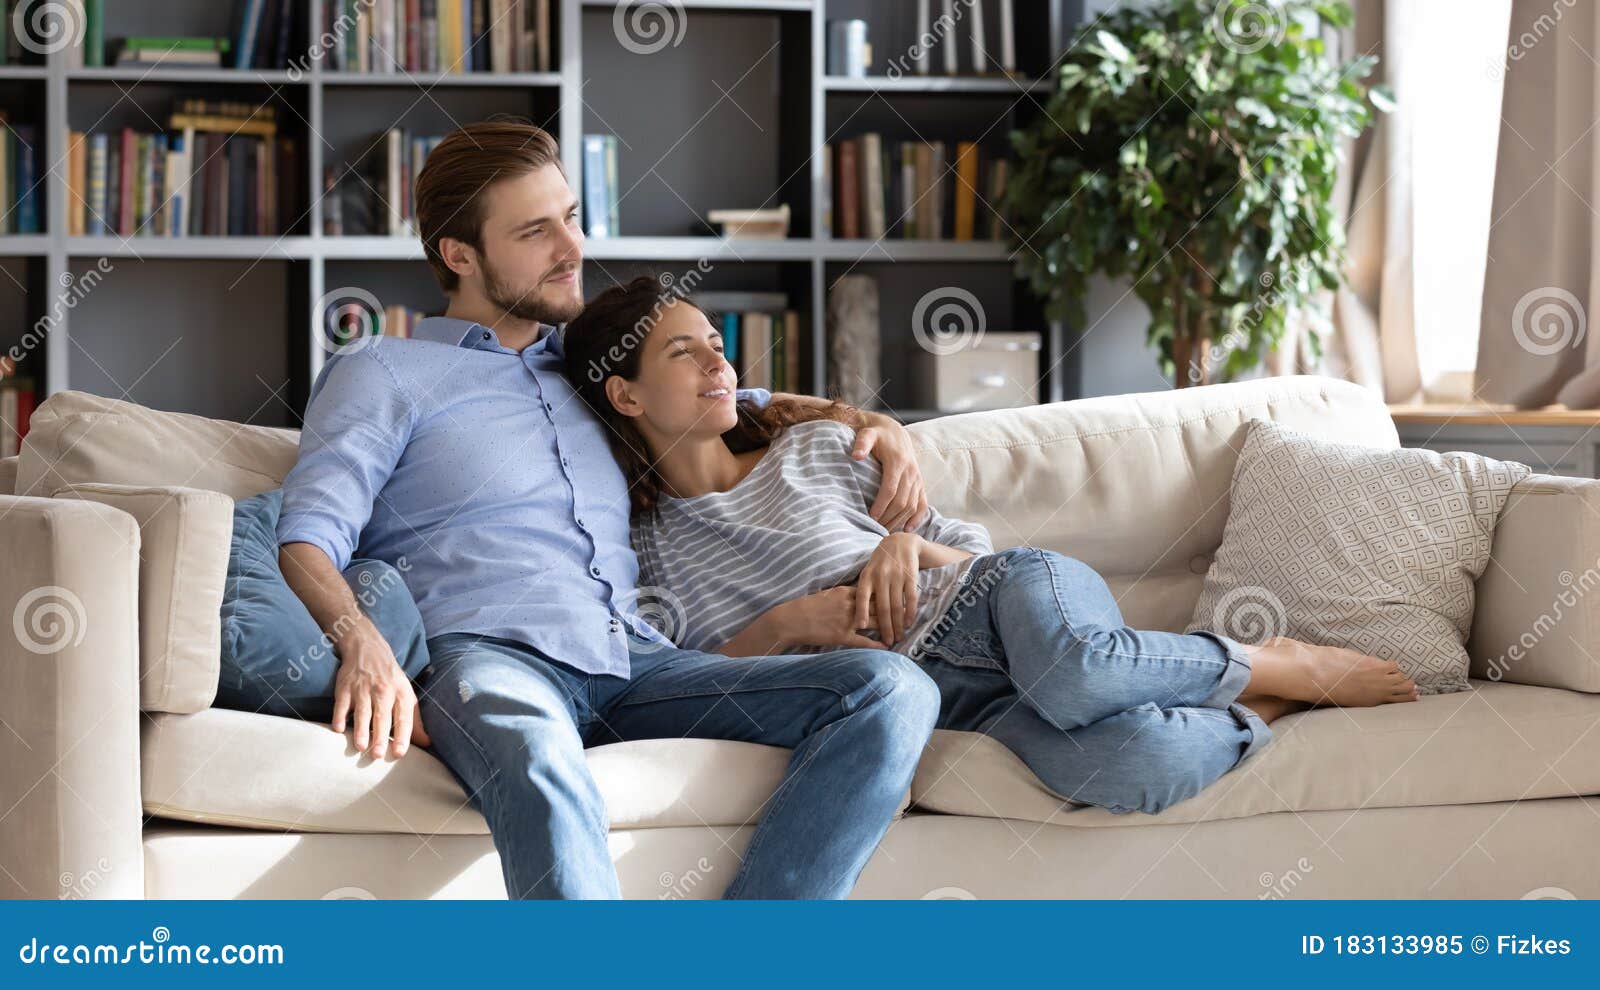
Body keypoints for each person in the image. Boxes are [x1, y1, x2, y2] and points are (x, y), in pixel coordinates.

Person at [271, 120, 942, 899]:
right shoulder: (384, 371)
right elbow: (307, 537)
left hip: (637, 663)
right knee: (542, 762)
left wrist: (876, 424)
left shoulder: (596, 370)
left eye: (571, 218)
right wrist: (364, 644)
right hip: (489, 660)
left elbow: (736, 397)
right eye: (535, 231)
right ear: (460, 255)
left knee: (890, 690)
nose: (572, 248)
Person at [560, 277, 1422, 817]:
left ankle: (1276, 663)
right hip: (944, 693)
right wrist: (787, 623)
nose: (719, 364)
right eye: (686, 353)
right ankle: (1259, 709)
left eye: (717, 344)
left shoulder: (821, 447)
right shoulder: (643, 548)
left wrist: (900, 547)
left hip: (1005, 606)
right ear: (626, 395)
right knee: (1130, 765)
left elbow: (979, 557)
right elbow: (685, 681)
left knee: (1076, 668)